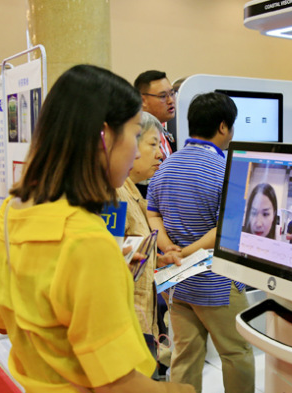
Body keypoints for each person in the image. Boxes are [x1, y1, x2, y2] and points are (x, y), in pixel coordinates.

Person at [0, 65, 194, 393]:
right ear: (103, 135)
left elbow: (0, 319)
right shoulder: (87, 239)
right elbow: (119, 386)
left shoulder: (10, 211)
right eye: (135, 134)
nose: (138, 151)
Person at [147, 92, 255, 393]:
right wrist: (190, 251)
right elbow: (226, 227)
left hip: (177, 281)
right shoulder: (227, 170)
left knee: (185, 353)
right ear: (223, 127)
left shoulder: (165, 167)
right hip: (216, 282)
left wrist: (169, 248)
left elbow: (152, 213)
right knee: (236, 353)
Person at [116, 111, 179, 379]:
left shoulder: (130, 190)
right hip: (125, 327)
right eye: (152, 145)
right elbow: (109, 265)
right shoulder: (114, 196)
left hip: (141, 321)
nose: (160, 155)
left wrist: (153, 259)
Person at [134, 70, 177, 158]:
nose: (171, 101)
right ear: (143, 100)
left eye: (172, 94)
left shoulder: (167, 133)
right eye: (163, 96)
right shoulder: (135, 134)